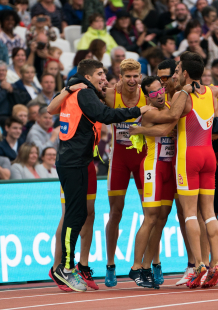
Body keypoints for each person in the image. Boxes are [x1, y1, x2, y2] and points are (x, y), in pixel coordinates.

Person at [128, 51, 218, 289]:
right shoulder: (210, 92)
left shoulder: (182, 96)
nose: (173, 76)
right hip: (208, 154)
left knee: (190, 215)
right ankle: (215, 263)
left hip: (188, 157)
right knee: (209, 214)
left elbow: (171, 118)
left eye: (176, 72)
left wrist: (139, 129)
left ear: (185, 73)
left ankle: (198, 266)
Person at [46, 58, 152, 292]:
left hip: (80, 161)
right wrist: (138, 110)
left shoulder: (83, 91)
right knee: (73, 216)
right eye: (100, 74)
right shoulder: (84, 93)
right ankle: (63, 267)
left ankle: (73, 266)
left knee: (82, 213)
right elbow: (104, 115)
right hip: (73, 162)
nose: (104, 78)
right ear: (88, 77)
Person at [99, 58, 149, 287]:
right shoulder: (111, 96)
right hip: (119, 160)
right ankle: (110, 264)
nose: (132, 80)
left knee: (151, 214)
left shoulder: (147, 95)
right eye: (127, 76)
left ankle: (152, 263)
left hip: (142, 159)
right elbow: (91, 92)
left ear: (140, 76)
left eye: (135, 76)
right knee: (115, 213)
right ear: (120, 77)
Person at [129, 76, 176, 288]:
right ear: (147, 96)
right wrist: (179, 115)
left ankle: (147, 265)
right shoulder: (148, 111)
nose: (160, 95)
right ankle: (135, 267)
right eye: (154, 93)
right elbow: (164, 130)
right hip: (153, 167)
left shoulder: (169, 106)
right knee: (150, 218)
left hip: (168, 168)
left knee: (162, 218)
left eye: (161, 90)